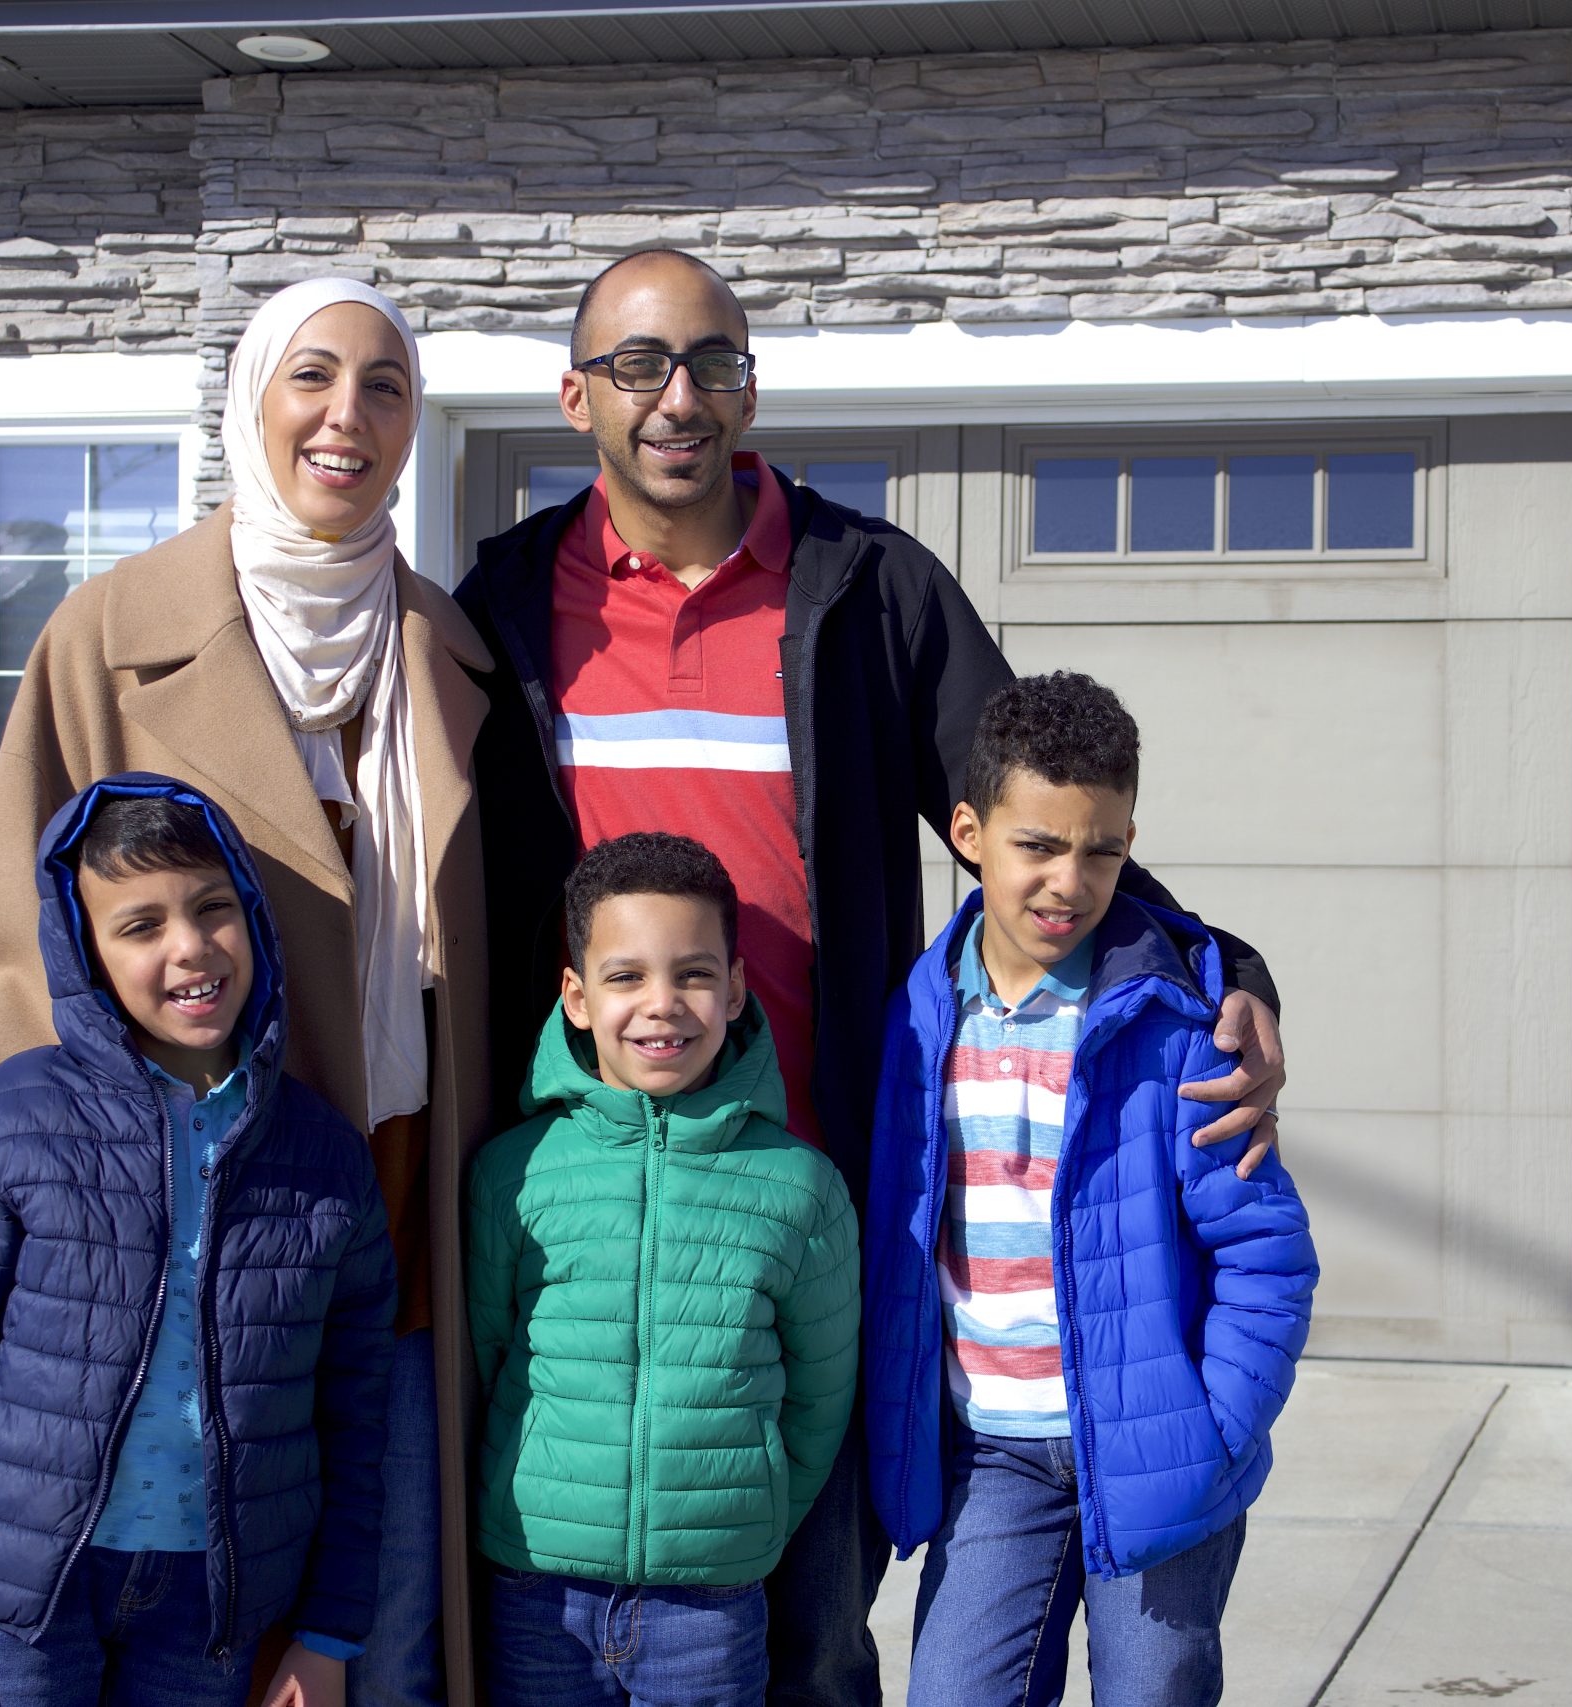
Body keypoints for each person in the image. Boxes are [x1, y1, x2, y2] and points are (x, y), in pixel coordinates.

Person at [451, 247, 1291, 1704]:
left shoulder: (870, 590)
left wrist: (1226, 964)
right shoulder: (507, 605)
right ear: (575, 394)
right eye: (640, 364)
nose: (679, 396)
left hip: (817, 1199)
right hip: (597, 1203)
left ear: (752, 388)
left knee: (817, 1639)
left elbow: (1041, 821)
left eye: (713, 360)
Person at [0, 277, 492, 1706]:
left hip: (380, 1212)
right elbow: (8, 916)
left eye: (386, 386)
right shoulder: (109, 630)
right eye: (313, 377)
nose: (350, 415)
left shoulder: (452, 657)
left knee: (370, 1643)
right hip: (167, 1206)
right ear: (252, 399)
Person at [0, 776, 396, 1707]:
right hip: (21, 1596)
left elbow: (356, 1416)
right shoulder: (14, 1116)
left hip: (212, 1610)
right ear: (86, 951)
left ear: (254, 919)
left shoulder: (327, 1157)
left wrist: (326, 1634)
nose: (189, 946)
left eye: (212, 908)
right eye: (140, 926)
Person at [863, 673, 1317, 1707]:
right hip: (992, 1453)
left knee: (1152, 1689)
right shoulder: (922, 1017)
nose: (1068, 881)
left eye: (1101, 850)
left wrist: (1213, 1429)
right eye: (1038, 846)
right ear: (970, 832)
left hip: (1162, 1453)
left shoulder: (1174, 1029)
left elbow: (1266, 1255)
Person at [466, 832, 859, 1706]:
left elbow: (819, 1397)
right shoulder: (512, 1173)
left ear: (737, 988)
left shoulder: (799, 1186)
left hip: (712, 1607)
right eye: (626, 976)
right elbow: (489, 1357)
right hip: (538, 1591)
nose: (663, 1004)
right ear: (575, 995)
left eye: (692, 973)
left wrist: (740, 1523)